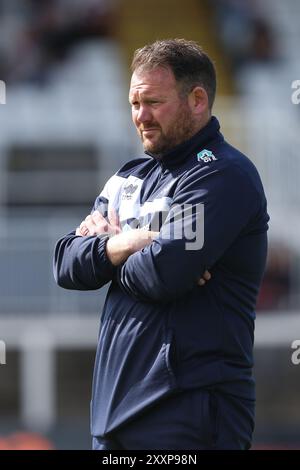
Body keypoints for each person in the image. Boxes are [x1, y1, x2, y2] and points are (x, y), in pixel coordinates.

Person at [54, 39, 269, 450]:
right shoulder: (130, 175)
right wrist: (128, 243)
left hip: (188, 409)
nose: (140, 117)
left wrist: (109, 248)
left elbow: (163, 274)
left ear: (197, 99)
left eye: (153, 102)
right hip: (114, 413)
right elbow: (65, 263)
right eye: (135, 104)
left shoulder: (223, 174)